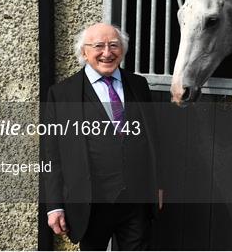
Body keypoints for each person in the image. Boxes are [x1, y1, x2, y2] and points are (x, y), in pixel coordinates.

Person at [42, 23, 163, 250]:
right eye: (99, 46)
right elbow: (52, 155)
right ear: (84, 52)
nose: (107, 53)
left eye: (114, 45)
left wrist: (158, 185)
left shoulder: (138, 85)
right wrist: (54, 206)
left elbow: (152, 140)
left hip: (136, 202)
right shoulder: (62, 94)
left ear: (123, 50)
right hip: (90, 204)